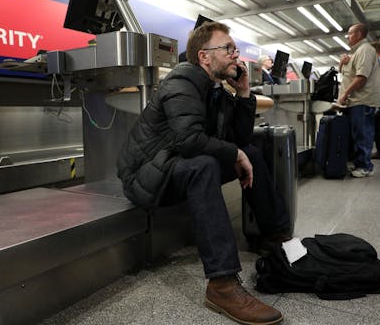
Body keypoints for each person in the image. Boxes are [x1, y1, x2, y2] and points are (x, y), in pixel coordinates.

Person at [117, 22, 288, 325]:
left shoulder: (215, 89)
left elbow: (240, 139)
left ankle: (274, 237)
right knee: (205, 165)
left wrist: (244, 93)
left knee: (251, 152)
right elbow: (189, 141)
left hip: (171, 164)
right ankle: (221, 285)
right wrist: (233, 153)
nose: (236, 56)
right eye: (229, 49)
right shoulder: (180, 82)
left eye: (235, 49)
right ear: (204, 57)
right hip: (145, 176)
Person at [336, 23, 380, 178]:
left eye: (350, 33)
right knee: (357, 134)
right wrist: (342, 64)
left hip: (362, 100)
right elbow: (349, 75)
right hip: (355, 101)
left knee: (363, 134)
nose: (348, 36)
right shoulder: (356, 53)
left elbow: (361, 78)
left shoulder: (365, 50)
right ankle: (359, 163)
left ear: (359, 34)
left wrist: (344, 94)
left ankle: (365, 167)